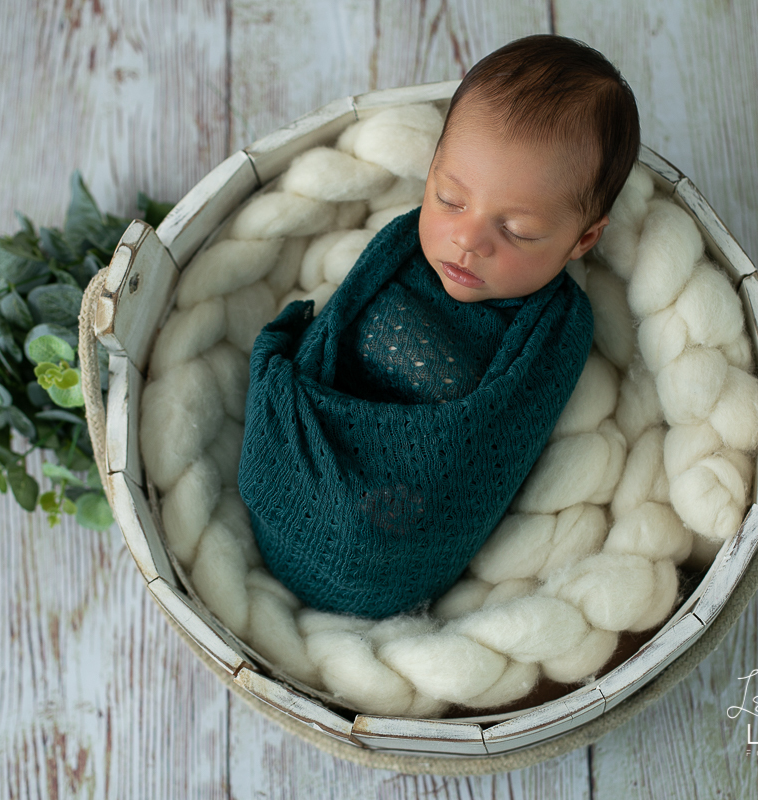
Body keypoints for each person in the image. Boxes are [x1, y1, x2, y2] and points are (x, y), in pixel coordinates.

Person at [238, 35, 642, 618]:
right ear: (430, 172)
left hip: (399, 518)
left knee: (373, 531)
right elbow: (326, 338)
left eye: (519, 231)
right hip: (299, 464)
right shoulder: (402, 244)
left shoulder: (552, 326)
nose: (468, 240)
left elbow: (490, 452)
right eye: (450, 199)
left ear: (582, 239)